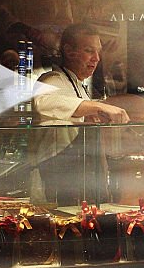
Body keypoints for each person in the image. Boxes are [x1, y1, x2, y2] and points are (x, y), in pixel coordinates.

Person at [29, 24, 129, 205]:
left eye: (98, 52)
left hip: (76, 182)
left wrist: (91, 112)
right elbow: (44, 102)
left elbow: (77, 112)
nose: (96, 58)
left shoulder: (78, 86)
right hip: (54, 182)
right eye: (89, 51)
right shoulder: (51, 80)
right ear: (69, 51)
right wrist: (99, 108)